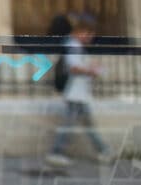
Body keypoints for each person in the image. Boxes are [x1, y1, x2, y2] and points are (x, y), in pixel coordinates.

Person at [45, 12, 112, 168]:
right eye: (89, 33)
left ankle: (103, 151)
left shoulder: (76, 45)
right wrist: (92, 71)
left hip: (79, 93)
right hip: (75, 93)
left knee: (85, 124)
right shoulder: (72, 45)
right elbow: (73, 68)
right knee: (71, 125)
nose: (90, 37)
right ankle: (56, 152)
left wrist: (91, 68)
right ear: (80, 31)